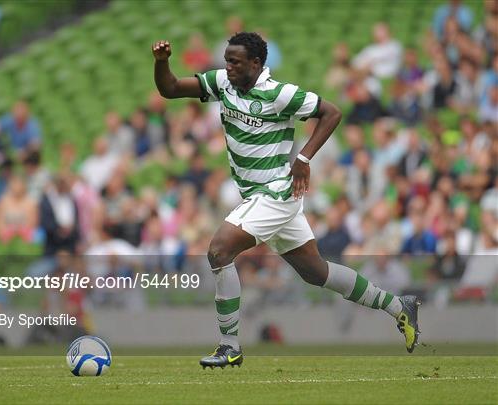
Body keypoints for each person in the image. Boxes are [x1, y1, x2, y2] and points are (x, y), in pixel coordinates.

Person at [152, 32, 421, 369]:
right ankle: (399, 306)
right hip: (261, 196)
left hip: (275, 193)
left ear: (256, 63)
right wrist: (162, 63)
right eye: (226, 60)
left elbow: (332, 113)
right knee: (315, 271)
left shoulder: (281, 94)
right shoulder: (223, 83)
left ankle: (229, 346)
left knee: (219, 250)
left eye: (235, 61)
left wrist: (304, 159)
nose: (228, 66)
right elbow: (171, 89)